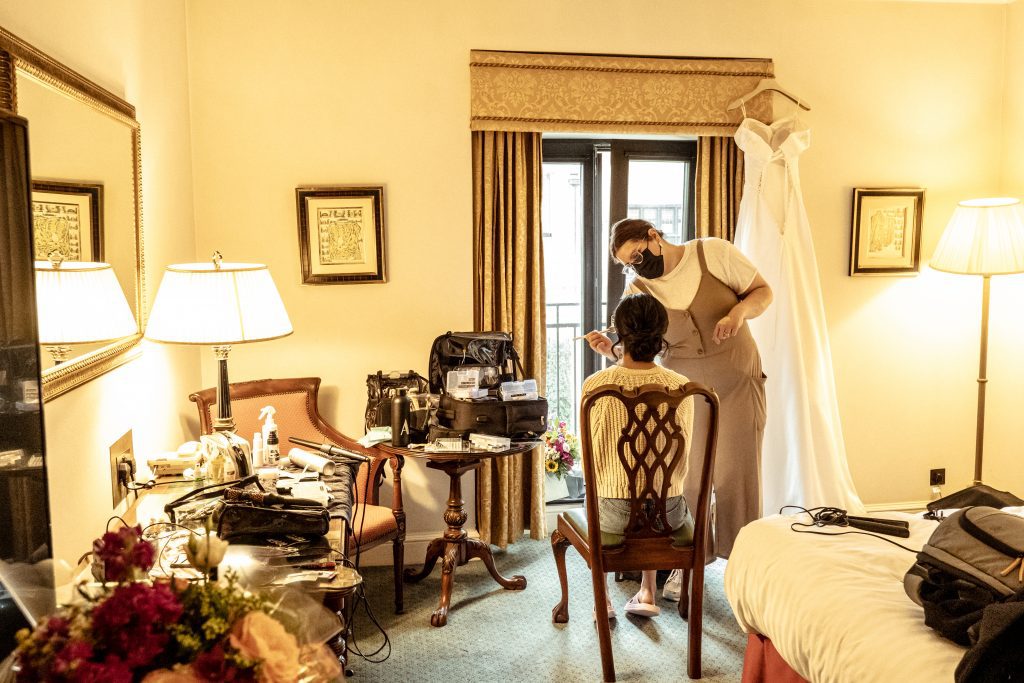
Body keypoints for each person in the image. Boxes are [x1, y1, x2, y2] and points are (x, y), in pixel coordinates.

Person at [584, 218, 772, 578]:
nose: (636, 266)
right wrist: (611, 351)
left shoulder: (712, 253)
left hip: (736, 381)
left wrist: (738, 312)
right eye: (628, 263)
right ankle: (686, 566)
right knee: (685, 478)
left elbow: (763, 291)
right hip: (680, 395)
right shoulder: (638, 288)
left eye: (638, 255)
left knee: (738, 476)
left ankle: (745, 567)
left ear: (654, 236)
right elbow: (636, 352)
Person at [581, 293, 694, 618]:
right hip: (668, 514)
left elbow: (592, 458)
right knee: (656, 484)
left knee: (598, 492)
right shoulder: (681, 387)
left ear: (619, 333)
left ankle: (602, 599)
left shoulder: (597, 386)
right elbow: (681, 456)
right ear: (661, 336)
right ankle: (647, 591)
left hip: (615, 514)